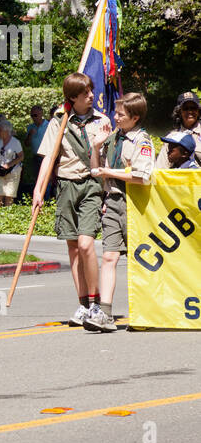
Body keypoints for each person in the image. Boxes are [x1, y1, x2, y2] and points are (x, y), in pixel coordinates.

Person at [37, 72, 113, 328]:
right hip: (66, 185)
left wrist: (108, 190)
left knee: (86, 245)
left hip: (91, 185)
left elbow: (107, 160)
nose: (92, 96)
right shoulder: (58, 123)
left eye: (91, 91)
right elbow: (48, 157)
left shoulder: (102, 121)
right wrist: (38, 190)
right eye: (86, 93)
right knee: (73, 248)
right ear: (72, 98)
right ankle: (82, 304)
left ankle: (95, 303)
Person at [87, 92, 154, 332]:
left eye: (121, 114)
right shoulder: (112, 139)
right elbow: (96, 169)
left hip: (135, 205)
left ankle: (147, 311)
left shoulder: (142, 141)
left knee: (140, 260)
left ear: (135, 117)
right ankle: (105, 313)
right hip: (113, 202)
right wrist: (95, 147)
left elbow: (141, 176)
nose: (115, 117)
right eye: (116, 113)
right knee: (108, 256)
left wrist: (108, 173)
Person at [154, 91, 201, 170]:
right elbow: (161, 168)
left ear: (199, 111)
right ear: (179, 112)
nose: (190, 111)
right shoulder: (171, 137)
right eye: (185, 108)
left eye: (193, 108)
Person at [0, 120, 24, 209]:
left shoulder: (16, 142)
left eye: (0, 130)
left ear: (6, 131)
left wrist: (9, 164)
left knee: (9, 196)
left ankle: (7, 218)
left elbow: (21, 157)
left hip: (13, 172)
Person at [21, 104, 48, 199]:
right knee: (38, 180)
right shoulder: (30, 127)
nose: (34, 118)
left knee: (47, 180)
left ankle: (47, 200)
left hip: (46, 157)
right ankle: (40, 200)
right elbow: (27, 144)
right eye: (32, 115)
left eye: (35, 115)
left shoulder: (48, 125)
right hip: (36, 157)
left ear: (41, 113)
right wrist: (30, 134)